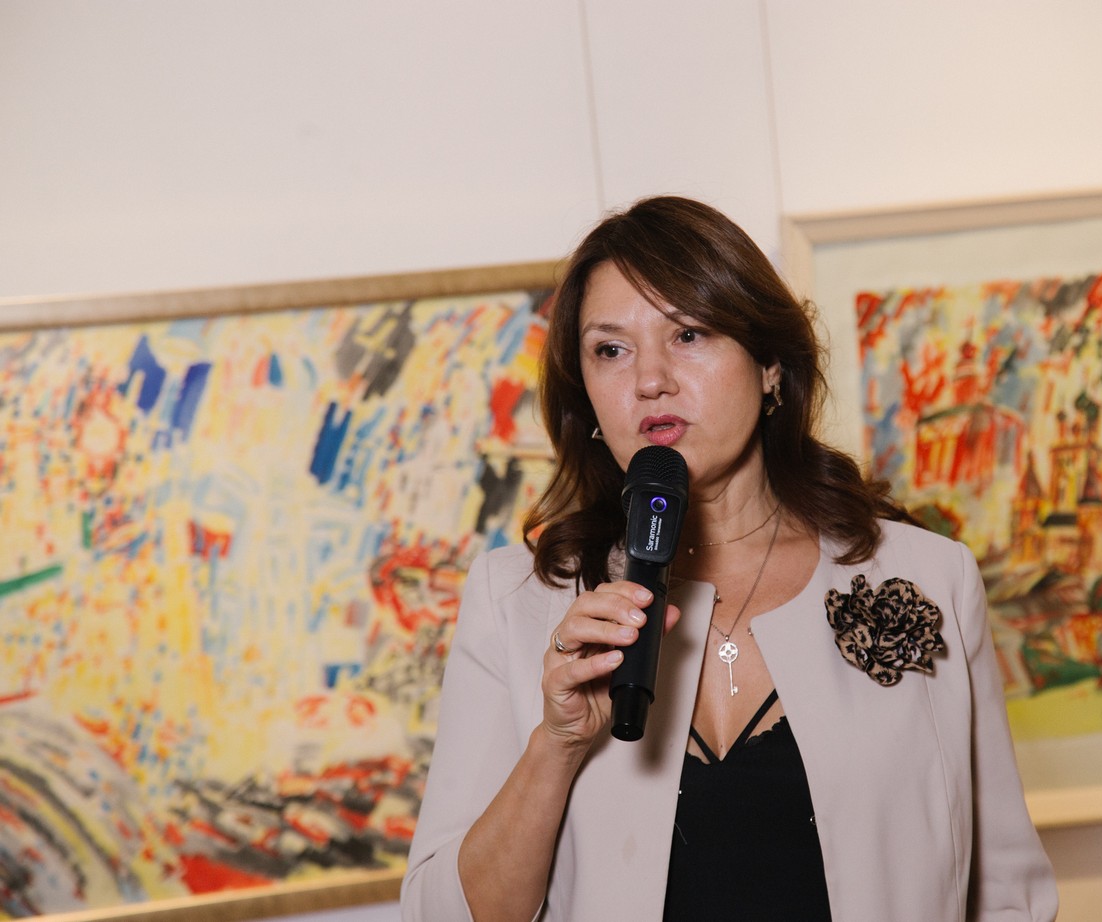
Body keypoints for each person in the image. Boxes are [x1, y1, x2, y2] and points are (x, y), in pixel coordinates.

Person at [401, 196, 1058, 921]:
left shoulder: (930, 579)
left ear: (771, 365)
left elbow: (1007, 897)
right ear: (584, 394)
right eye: (611, 350)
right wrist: (555, 747)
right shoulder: (517, 603)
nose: (650, 379)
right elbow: (441, 915)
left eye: (689, 334)